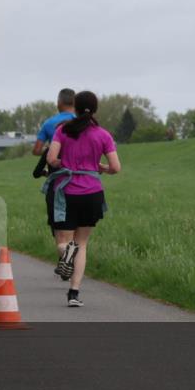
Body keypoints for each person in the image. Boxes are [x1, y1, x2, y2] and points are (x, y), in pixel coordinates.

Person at [43, 90, 121, 307]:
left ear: (75, 108)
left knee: (65, 243)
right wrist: (101, 167)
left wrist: (64, 164)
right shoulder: (103, 135)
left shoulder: (62, 131)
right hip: (93, 193)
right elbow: (116, 167)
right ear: (95, 109)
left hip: (67, 192)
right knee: (82, 244)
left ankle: (66, 258)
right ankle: (74, 293)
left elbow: (51, 158)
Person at [32, 89, 76, 178]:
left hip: (56, 174)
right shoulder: (84, 122)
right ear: (75, 103)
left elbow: (36, 150)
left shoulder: (49, 123)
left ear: (59, 102)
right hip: (80, 173)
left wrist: (50, 149)